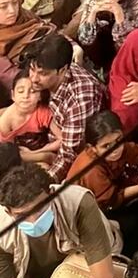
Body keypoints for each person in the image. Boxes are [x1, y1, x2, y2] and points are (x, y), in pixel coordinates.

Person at [0, 163, 121, 278]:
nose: (33, 220)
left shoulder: (77, 203)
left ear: (51, 194)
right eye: (22, 215)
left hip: (82, 267)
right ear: (8, 211)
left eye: (39, 208)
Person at [68, 110, 138, 255]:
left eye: (118, 141)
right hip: (89, 214)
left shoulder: (121, 148)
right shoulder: (91, 168)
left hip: (111, 199)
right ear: (92, 148)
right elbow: (112, 199)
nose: (115, 150)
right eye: (106, 146)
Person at [29, 33, 105, 181]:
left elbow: (69, 155)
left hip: (69, 158)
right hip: (46, 138)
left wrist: (43, 188)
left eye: (43, 74)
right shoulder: (50, 67)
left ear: (63, 70)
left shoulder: (80, 98)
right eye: (32, 69)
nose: (33, 78)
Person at [0, 0, 55, 93]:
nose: (12, 10)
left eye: (15, 3)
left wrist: (73, 46)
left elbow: (49, 30)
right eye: (3, 7)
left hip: (56, 63)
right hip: (32, 87)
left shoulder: (25, 16)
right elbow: (11, 77)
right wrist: (45, 79)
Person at [0, 69, 60, 165]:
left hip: (38, 150)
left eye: (32, 91)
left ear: (40, 96)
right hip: (18, 156)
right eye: (20, 91)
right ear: (13, 95)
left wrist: (39, 152)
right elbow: (9, 154)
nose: (26, 96)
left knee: (51, 158)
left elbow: (62, 139)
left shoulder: (43, 112)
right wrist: (42, 156)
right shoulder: (6, 121)